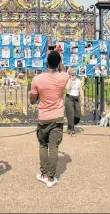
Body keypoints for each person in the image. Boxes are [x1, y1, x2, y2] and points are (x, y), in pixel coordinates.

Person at [30, 50, 69, 188]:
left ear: (46, 63)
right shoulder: (63, 77)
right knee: (54, 147)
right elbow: (64, 72)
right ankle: (51, 178)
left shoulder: (37, 79)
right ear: (58, 63)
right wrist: (61, 62)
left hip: (43, 117)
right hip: (57, 117)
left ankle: (44, 174)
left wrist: (38, 95)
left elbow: (32, 101)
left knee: (43, 145)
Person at [65, 68, 84, 135]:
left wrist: (82, 99)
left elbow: (80, 90)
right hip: (69, 98)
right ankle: (71, 128)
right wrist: (70, 80)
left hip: (76, 98)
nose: (74, 76)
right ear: (69, 75)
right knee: (71, 113)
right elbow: (66, 88)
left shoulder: (78, 81)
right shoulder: (68, 80)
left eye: (75, 74)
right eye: (72, 74)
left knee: (78, 115)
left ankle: (70, 125)